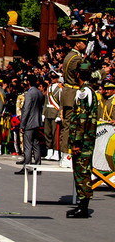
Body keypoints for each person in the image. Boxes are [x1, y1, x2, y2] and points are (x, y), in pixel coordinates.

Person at [66, 61, 98, 218]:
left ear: (78, 74)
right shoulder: (90, 90)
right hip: (88, 139)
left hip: (83, 140)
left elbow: (82, 118)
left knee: (81, 172)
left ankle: (83, 206)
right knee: (83, 171)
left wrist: (77, 142)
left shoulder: (83, 92)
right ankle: (82, 204)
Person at [60, 34, 88, 167]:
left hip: (68, 92)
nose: (85, 45)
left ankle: (65, 154)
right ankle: (66, 155)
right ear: (77, 44)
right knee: (69, 125)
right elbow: (85, 74)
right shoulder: (76, 58)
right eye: (84, 43)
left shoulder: (68, 56)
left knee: (67, 124)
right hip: (73, 92)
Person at [15, 74, 44, 174]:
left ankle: (26, 166)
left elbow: (26, 110)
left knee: (28, 145)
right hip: (37, 121)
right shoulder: (39, 93)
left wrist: (22, 125)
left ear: (28, 82)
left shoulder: (29, 94)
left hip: (29, 123)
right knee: (36, 144)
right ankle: (38, 166)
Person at [42, 71, 62, 161]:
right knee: (47, 133)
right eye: (52, 78)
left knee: (55, 134)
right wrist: (43, 114)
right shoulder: (49, 88)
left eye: (54, 78)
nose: (53, 80)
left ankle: (56, 152)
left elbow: (61, 103)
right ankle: (49, 151)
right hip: (48, 113)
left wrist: (59, 115)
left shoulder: (60, 88)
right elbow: (46, 102)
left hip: (55, 113)